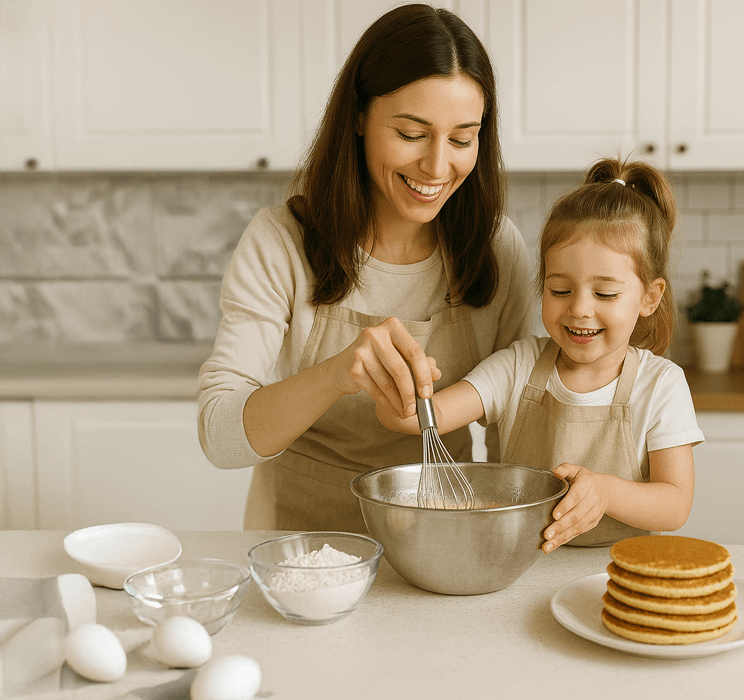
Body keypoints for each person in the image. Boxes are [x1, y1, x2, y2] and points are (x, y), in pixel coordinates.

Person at [197, 4, 534, 532]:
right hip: (301, 543)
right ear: (358, 116)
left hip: (444, 537)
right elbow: (219, 437)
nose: (437, 166)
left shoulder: (496, 248)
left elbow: (518, 419)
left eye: (462, 138)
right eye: (411, 133)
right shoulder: (281, 242)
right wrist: (338, 372)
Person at [378, 156, 704, 552]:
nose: (580, 308)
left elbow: (675, 504)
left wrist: (605, 492)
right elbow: (430, 416)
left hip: (615, 573)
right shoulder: (518, 366)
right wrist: (401, 396)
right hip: (517, 566)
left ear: (649, 297)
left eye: (605, 293)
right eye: (560, 290)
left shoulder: (660, 385)